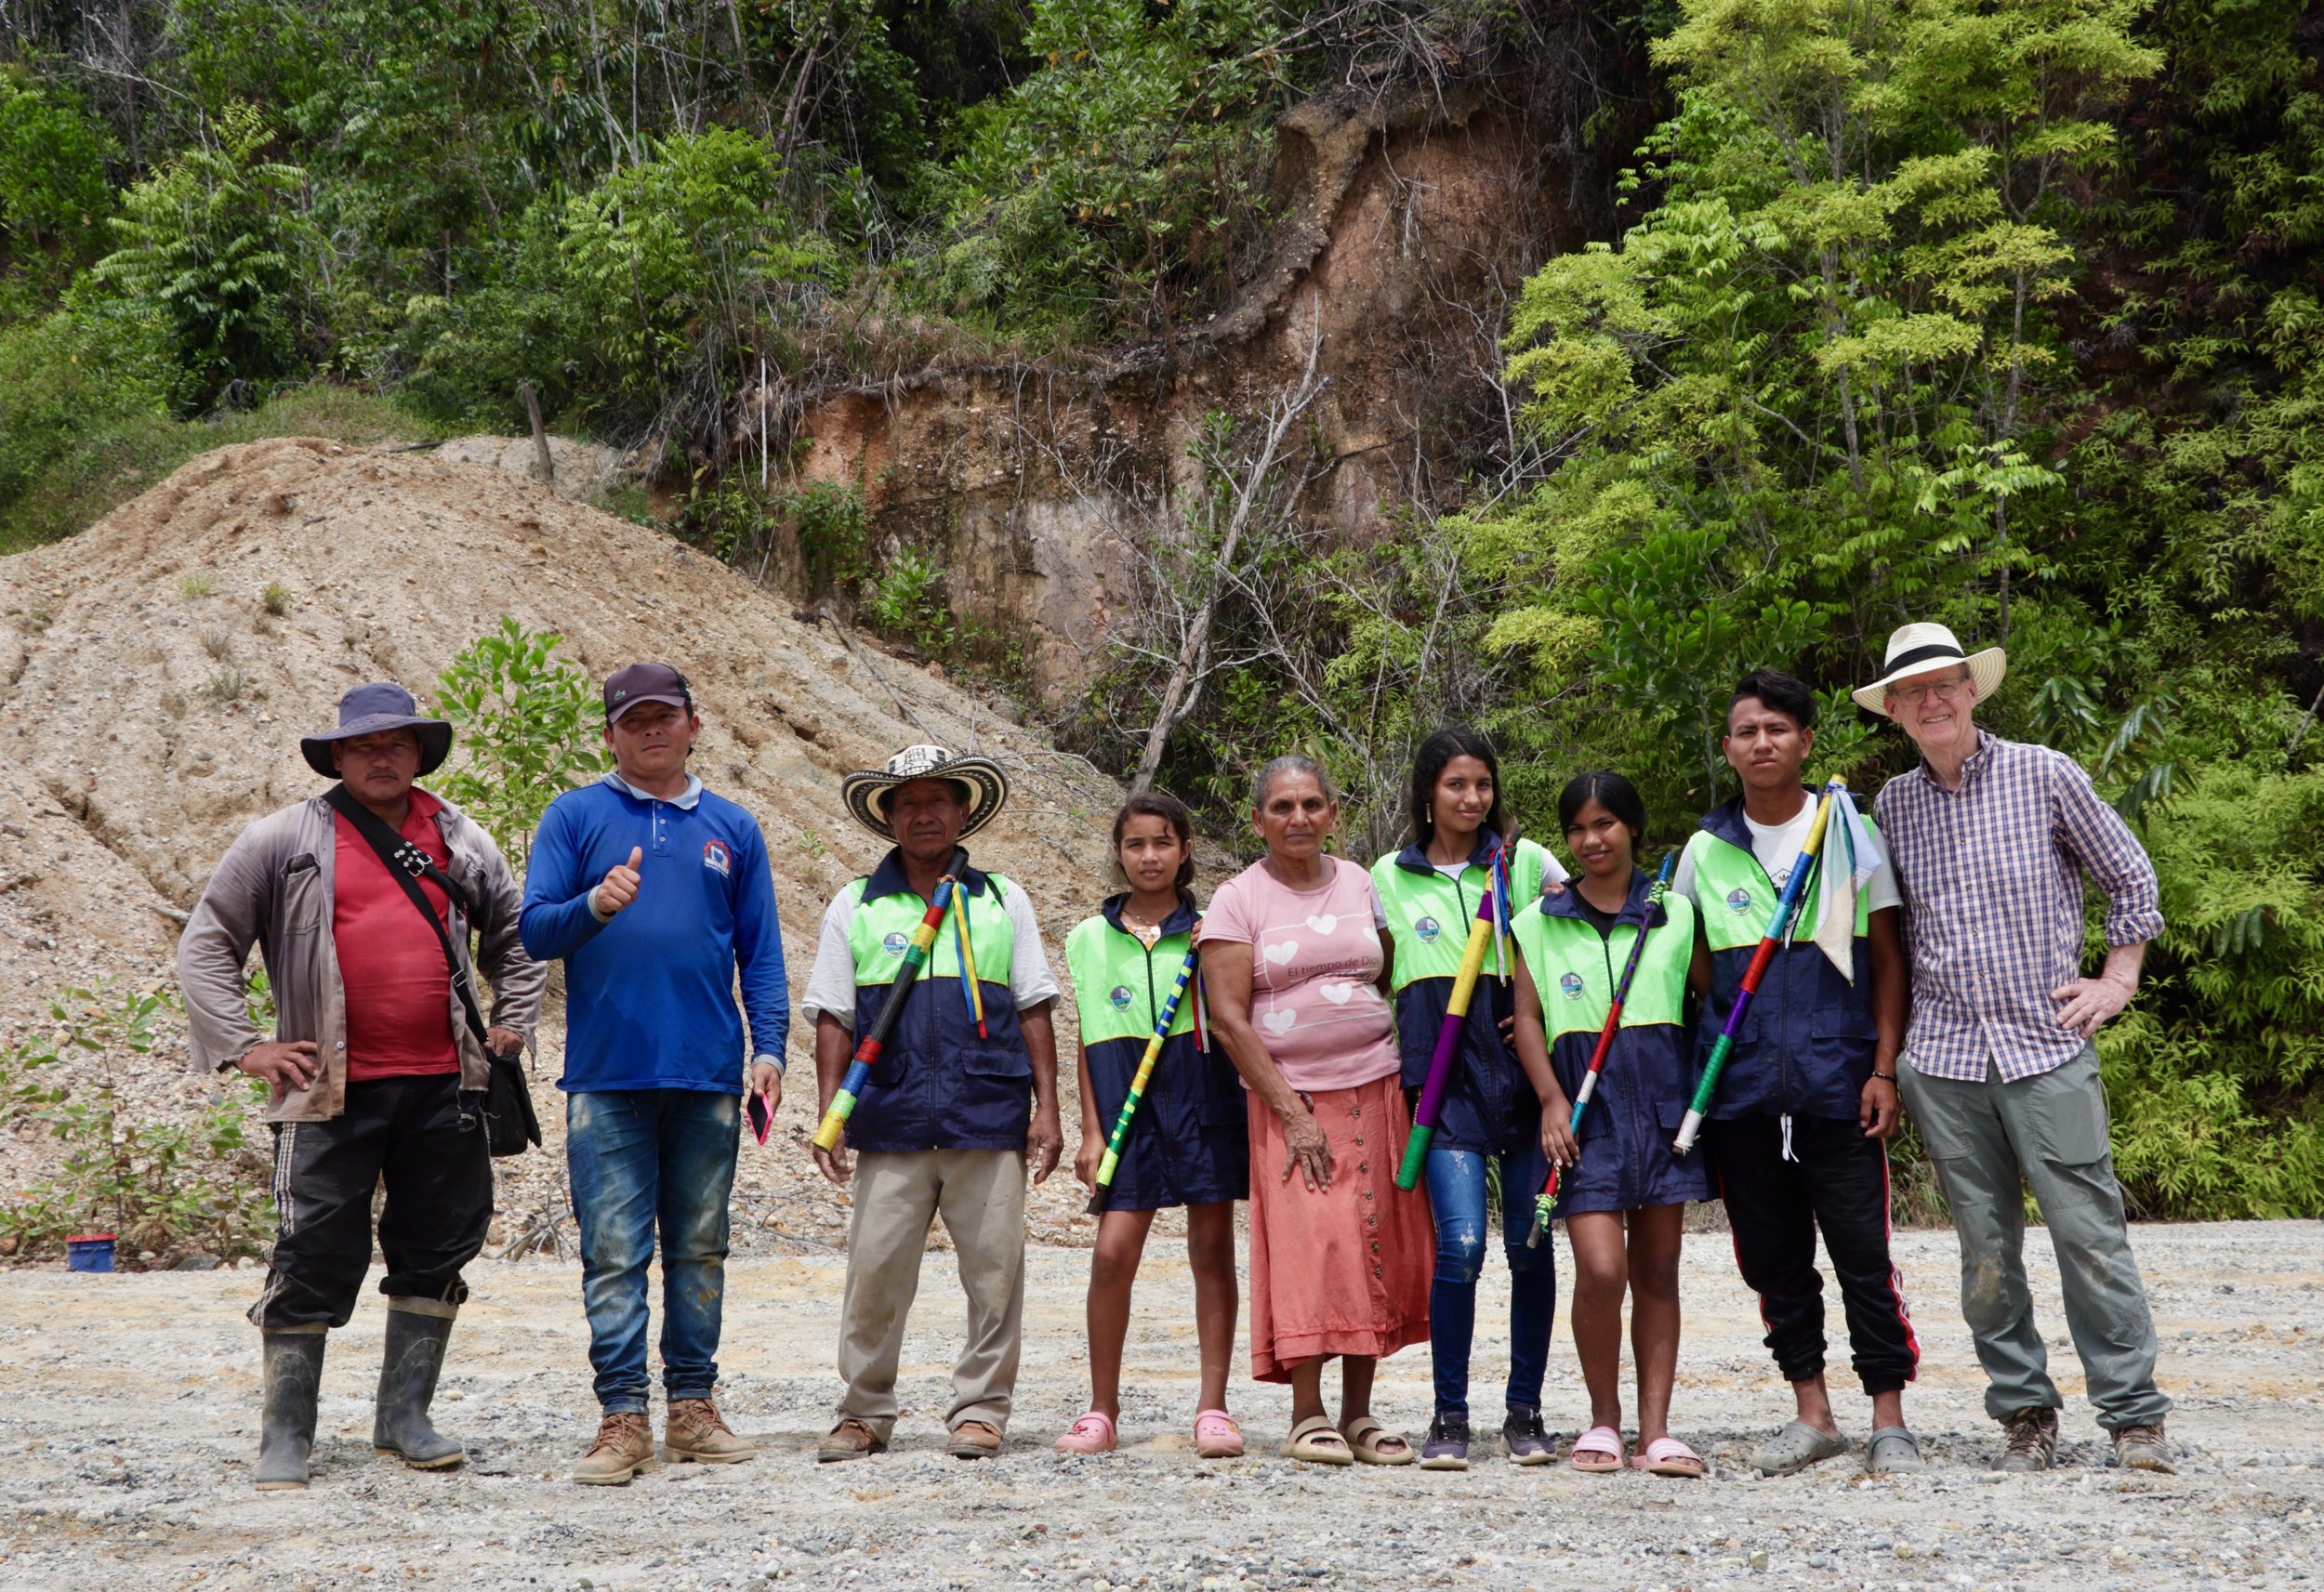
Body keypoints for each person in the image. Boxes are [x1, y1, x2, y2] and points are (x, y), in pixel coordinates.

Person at [178, 683, 543, 1490]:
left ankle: (404, 1416)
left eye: (400, 743)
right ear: (338, 755)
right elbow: (206, 944)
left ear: (420, 754)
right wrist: (246, 1046)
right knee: (311, 1248)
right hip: (325, 1088)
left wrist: (513, 1017)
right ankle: (287, 1432)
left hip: (448, 1086)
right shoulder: (282, 839)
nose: (384, 756)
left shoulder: (459, 837)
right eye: (366, 745)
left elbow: (516, 935)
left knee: (438, 1243)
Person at [1860, 623, 2175, 1474]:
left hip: (2047, 1045)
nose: (1933, 699)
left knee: (2088, 1231)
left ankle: (2133, 1416)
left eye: (1947, 682)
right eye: (1913, 690)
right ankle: (2025, 1414)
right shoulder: (1893, 804)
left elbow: (2131, 875)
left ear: (1972, 689)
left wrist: (2117, 979)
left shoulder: (2044, 772)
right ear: (1893, 710)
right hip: (1947, 1058)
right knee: (1985, 1248)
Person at [520, 663, 790, 1485]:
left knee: (701, 1247)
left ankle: (694, 1408)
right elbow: (534, 932)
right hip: (605, 1076)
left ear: (694, 724)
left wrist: (769, 1048)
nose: (651, 731)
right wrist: (595, 905)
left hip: (708, 1073)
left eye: (664, 716)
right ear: (609, 733)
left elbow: (762, 952)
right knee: (612, 1251)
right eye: (633, 720)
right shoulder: (573, 816)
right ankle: (622, 1416)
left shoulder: (733, 828)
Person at [1673, 669, 1921, 1476]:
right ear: (1728, 748)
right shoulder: (1704, 852)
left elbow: (1887, 956)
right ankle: (1813, 1412)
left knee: (1861, 1252)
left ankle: (1889, 1416)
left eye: (1778, 729)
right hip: (1744, 1096)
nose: (1762, 742)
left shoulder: (1847, 830)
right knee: (1774, 1260)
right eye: (1746, 731)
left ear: (1806, 741)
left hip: (1839, 1085)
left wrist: (1883, 1067)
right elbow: (1697, 970)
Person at [803, 744, 1063, 1462]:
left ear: (963, 809)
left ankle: (980, 1408)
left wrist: (1049, 1109)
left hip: (988, 1113)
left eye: (938, 799)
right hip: (889, 1117)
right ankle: (863, 1411)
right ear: (887, 816)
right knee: (876, 1270)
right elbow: (832, 1013)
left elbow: (1034, 1003)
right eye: (907, 801)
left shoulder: (1003, 898)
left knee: (995, 1272)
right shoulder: (855, 904)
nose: (924, 813)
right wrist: (831, 1113)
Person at [1203, 755, 1431, 1467]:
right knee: (1313, 1246)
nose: (1297, 818)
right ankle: (1308, 1412)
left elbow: (1383, 970)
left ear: (1333, 810)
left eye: (1311, 804)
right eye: (1281, 806)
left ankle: (1360, 1411)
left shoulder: (1362, 881)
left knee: (1375, 1241)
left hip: (1376, 1086)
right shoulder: (1238, 899)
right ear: (1257, 818)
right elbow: (1229, 1019)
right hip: (1291, 1098)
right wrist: (1291, 1110)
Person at [1370, 726, 1570, 1469]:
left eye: (1482, 784)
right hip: (1441, 1085)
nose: (1471, 797)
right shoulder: (1387, 875)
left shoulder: (1523, 863)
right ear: (1428, 791)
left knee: (1529, 1244)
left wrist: (1540, 1009)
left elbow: (1573, 933)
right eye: (1456, 784)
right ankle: (1448, 1416)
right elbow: (1365, 966)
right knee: (1460, 1249)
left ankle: (1525, 1413)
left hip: (1523, 1078)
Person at [1510, 770, 1708, 1478]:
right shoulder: (1534, 921)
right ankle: (1603, 1419)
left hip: (1661, 1111)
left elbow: (1712, 1003)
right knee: (1599, 1268)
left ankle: (1655, 1429)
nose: (1591, 840)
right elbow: (1527, 1018)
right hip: (1581, 1117)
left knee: (1657, 1270)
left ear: (1633, 829)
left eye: (1606, 824)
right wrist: (1550, 1100)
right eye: (1578, 828)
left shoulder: (1676, 913)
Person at [1056, 791, 1249, 1458]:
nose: (1149, 855)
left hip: (1202, 1094)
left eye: (1163, 842)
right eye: (1136, 843)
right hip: (1124, 1103)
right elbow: (1086, 1037)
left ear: (1186, 849)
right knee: (1112, 1253)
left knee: (1211, 1249)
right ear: (1118, 852)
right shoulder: (1087, 937)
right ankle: (1101, 1407)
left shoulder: (1213, 929)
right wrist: (1089, 1129)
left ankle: (1213, 1406)